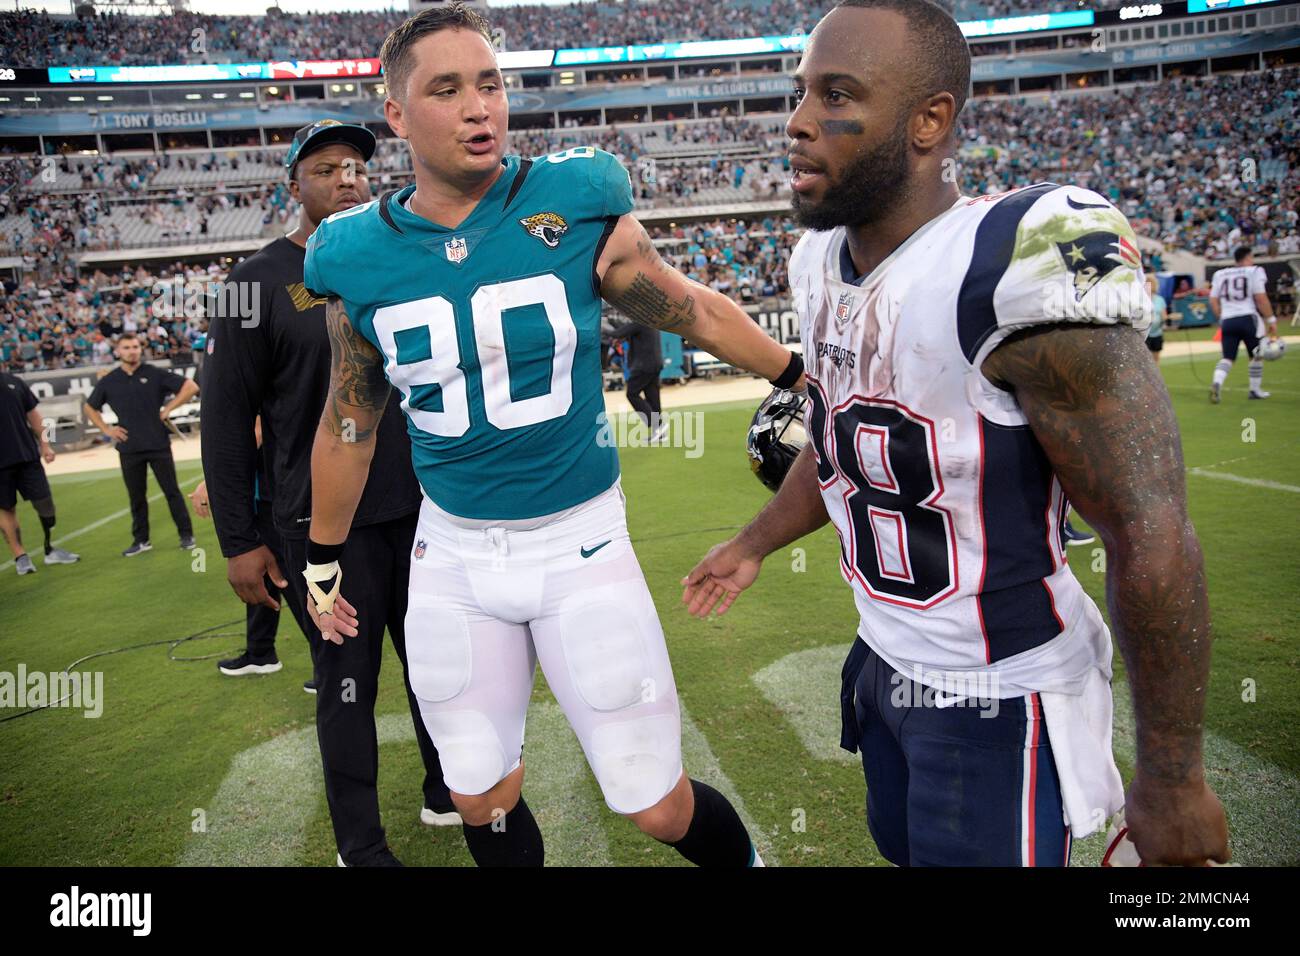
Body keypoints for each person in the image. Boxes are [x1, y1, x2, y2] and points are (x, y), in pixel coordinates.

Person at [683, 0, 1229, 867]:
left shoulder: (1012, 261)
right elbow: (840, 435)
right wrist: (755, 541)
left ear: (930, 119)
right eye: (800, 92)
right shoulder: (818, 261)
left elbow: (1149, 532)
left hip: (997, 691)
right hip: (881, 657)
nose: (795, 121)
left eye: (836, 95)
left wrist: (1171, 775)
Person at [303, 2, 802, 868]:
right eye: (447, 89)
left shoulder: (573, 197)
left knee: (654, 802)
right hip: (452, 555)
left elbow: (690, 309)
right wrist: (321, 553)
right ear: (396, 115)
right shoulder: (352, 253)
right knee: (477, 795)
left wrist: (797, 376)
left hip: (580, 543)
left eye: (490, 84)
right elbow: (351, 418)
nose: (479, 107)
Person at [200, 119, 458, 868]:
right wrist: (240, 541)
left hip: (422, 510)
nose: (347, 177)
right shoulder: (252, 284)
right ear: (293, 187)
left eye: (356, 166)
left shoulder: (398, 257)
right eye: (325, 168)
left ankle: (446, 789)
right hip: (322, 528)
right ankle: (360, 842)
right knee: (348, 685)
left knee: (438, 665)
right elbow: (224, 421)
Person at [193, 418, 295, 677]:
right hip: (267, 491)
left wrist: (211, 482)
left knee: (291, 577)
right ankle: (260, 652)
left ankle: (329, 665)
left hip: (279, 490)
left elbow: (257, 431)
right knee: (262, 574)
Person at [83, 332, 198, 556]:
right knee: (136, 497)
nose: (132, 351)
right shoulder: (110, 380)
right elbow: (89, 407)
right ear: (118, 351)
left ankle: (186, 535)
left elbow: (191, 386)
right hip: (129, 448)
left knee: (171, 491)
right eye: (126, 347)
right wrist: (107, 430)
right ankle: (141, 540)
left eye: (135, 346)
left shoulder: (153, 373)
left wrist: (168, 409)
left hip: (157, 443)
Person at [1, 369, 79, 574]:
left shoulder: (14, 382)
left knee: (45, 504)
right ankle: (21, 556)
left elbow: (34, 416)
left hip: (27, 456)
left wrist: (45, 445)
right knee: (6, 509)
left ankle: (50, 548)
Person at [1208, 245, 1278, 402]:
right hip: (1248, 318)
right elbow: (1260, 298)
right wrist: (1271, 319)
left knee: (1227, 357)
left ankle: (1217, 382)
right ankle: (1254, 390)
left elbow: (1213, 300)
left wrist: (1221, 316)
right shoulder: (1254, 271)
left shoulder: (1220, 274)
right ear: (1247, 258)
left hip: (1228, 320)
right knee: (1256, 356)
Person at [609, 320, 666, 440]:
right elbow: (624, 329)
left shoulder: (639, 323)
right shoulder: (649, 322)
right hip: (655, 363)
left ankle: (656, 423)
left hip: (644, 366)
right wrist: (611, 322)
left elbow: (618, 333)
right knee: (652, 396)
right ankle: (660, 433)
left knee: (632, 394)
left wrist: (601, 326)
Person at [1145, 273, 1166, 364]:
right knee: (1146, 360)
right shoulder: (1140, 300)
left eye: (1151, 283)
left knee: (1156, 359)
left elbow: (1163, 316)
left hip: (1157, 333)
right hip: (1145, 335)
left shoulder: (1160, 300)